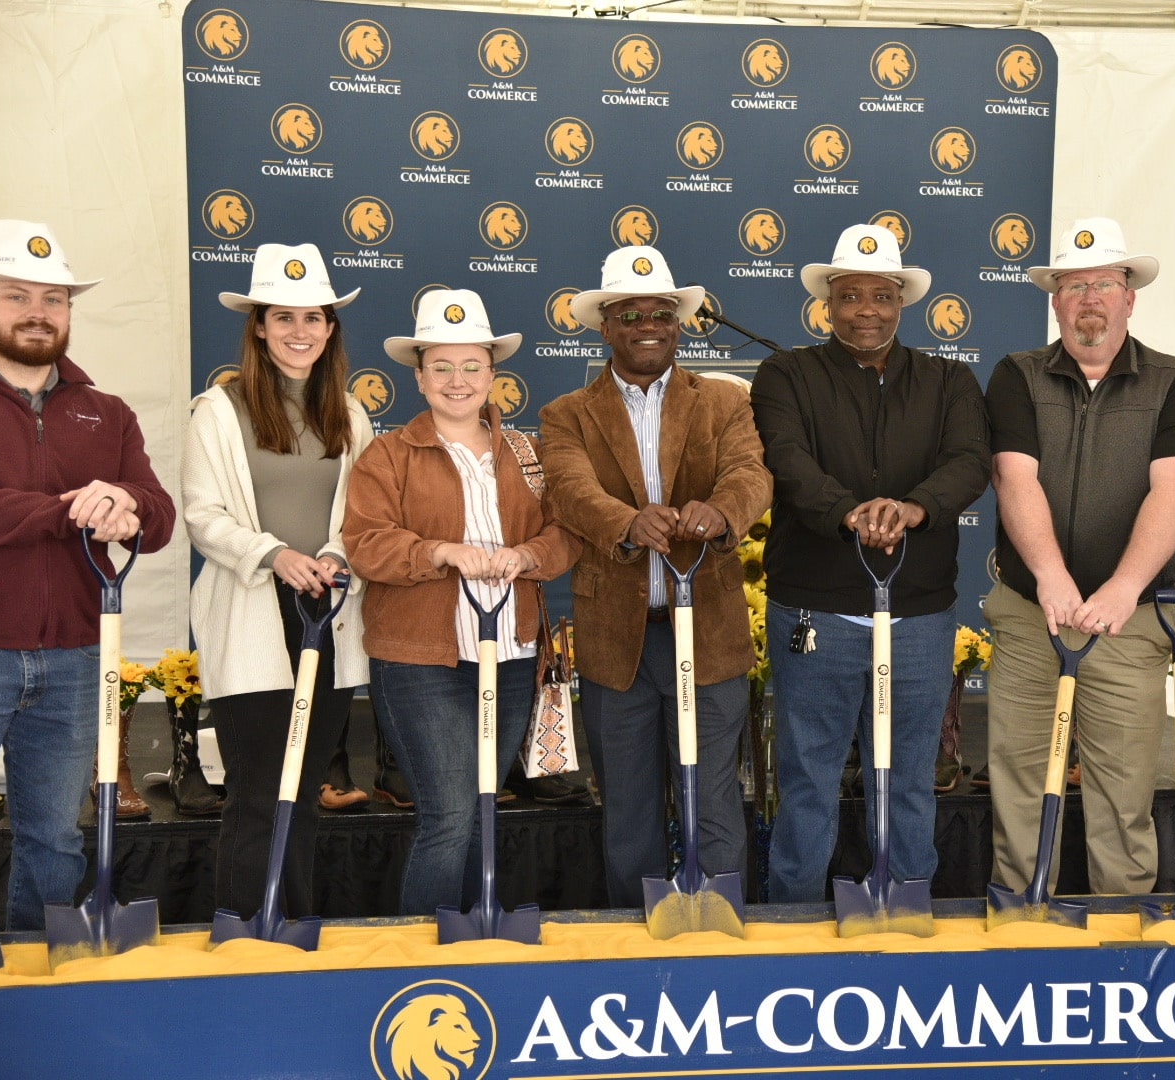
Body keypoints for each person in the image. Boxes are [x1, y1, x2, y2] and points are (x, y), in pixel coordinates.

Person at [749, 224, 989, 903]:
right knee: (807, 780)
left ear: (900, 302)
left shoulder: (948, 380)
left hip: (917, 613)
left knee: (908, 779)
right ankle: (793, 919)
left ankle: (906, 904)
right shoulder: (785, 374)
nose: (866, 310)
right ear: (828, 302)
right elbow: (786, 459)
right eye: (850, 295)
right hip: (813, 611)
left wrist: (913, 508)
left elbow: (970, 462)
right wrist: (850, 512)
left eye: (881, 295)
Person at [983, 217, 1175, 897]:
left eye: (1105, 284)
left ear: (1130, 296)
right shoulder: (1016, 375)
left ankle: (1120, 935)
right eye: (1074, 285)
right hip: (1032, 615)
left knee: (1123, 789)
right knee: (1021, 784)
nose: (1090, 299)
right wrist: (1051, 578)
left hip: (1130, 619)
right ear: (1054, 299)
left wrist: (1123, 586)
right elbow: (1013, 477)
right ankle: (1023, 919)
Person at [540, 246, 772, 908]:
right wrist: (626, 521)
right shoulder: (567, 415)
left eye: (661, 313)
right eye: (631, 313)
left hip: (713, 635)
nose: (649, 323)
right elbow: (569, 488)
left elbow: (750, 474)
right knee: (628, 812)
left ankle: (721, 925)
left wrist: (721, 510)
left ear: (679, 324)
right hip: (620, 642)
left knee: (716, 799)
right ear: (606, 326)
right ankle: (632, 938)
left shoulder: (725, 402)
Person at [344, 288, 579, 916]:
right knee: (449, 814)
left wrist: (530, 556)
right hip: (421, 663)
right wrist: (439, 552)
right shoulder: (387, 456)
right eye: (441, 367)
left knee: (482, 809)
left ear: (494, 376)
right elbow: (365, 545)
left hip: (513, 655)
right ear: (418, 377)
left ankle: (477, 937)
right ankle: (426, 957)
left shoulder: (528, 454)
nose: (458, 380)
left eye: (472, 366)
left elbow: (566, 533)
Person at [0, 218, 175, 930]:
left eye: (54, 298)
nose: (38, 311)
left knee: (54, 838)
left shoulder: (107, 412)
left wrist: (127, 506)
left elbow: (159, 518)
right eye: (16, 295)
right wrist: (68, 511)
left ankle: (42, 977)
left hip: (74, 657)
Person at [183, 243, 372, 920]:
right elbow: (203, 515)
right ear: (258, 326)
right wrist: (273, 555)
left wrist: (332, 555)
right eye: (284, 317)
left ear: (330, 329)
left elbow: (363, 515)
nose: (301, 332)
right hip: (254, 620)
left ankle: (293, 927)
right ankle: (243, 937)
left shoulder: (350, 415)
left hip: (324, 615)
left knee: (305, 790)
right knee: (260, 794)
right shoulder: (219, 411)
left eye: (315, 318)